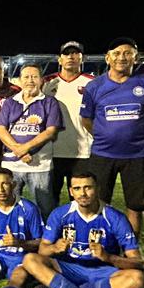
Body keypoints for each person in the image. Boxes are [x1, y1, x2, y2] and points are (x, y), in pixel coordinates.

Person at [21, 171, 144, 288]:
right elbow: (43, 250)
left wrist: (108, 257)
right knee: (30, 259)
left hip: (103, 272)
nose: (83, 193)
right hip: (68, 268)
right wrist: (54, 248)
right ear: (71, 192)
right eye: (77, 188)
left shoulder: (115, 217)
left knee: (137, 279)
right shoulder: (60, 214)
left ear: (97, 189)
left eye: (88, 187)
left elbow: (137, 262)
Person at [79, 37, 144, 236]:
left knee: (135, 206)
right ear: (107, 58)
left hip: (137, 155)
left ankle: (130, 247)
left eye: (127, 53)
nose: (122, 57)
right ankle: (102, 243)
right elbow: (86, 119)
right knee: (98, 203)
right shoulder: (95, 86)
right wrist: (104, 136)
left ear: (136, 57)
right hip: (103, 155)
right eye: (116, 53)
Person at [0, 63, 62, 216]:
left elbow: (50, 131)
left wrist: (25, 148)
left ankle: (45, 232)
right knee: (9, 208)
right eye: (26, 77)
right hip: (11, 165)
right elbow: (1, 130)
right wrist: (19, 151)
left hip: (39, 166)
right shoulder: (10, 102)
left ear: (41, 80)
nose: (30, 80)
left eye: (34, 77)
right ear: (20, 80)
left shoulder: (50, 102)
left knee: (45, 209)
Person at [43, 41, 95, 202]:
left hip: (82, 152)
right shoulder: (47, 83)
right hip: (52, 151)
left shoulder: (93, 83)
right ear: (60, 59)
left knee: (81, 200)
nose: (70, 56)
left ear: (82, 58)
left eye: (75, 53)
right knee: (50, 200)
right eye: (66, 53)